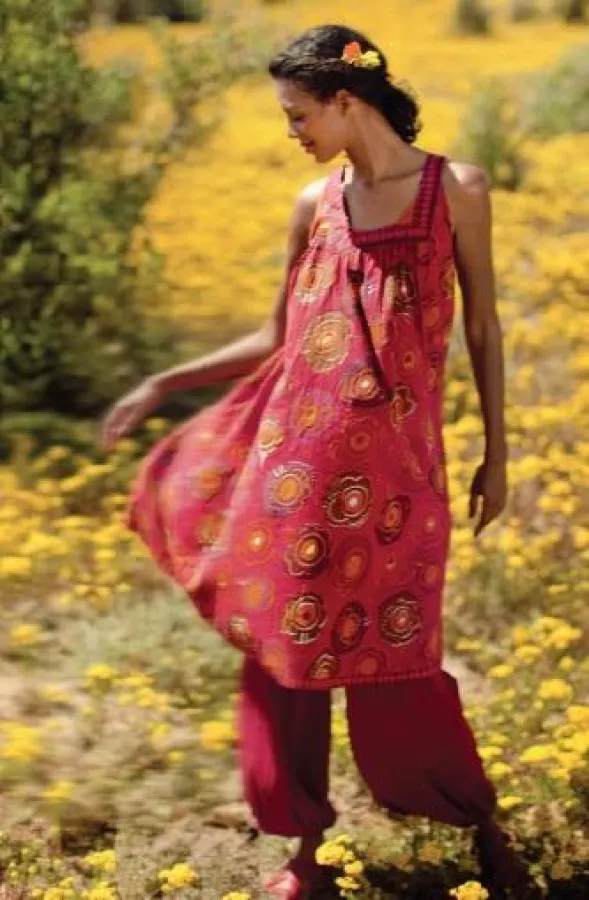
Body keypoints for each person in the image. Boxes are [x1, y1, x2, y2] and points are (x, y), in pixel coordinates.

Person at [101, 24, 541, 900]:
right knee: (284, 663)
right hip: (289, 473)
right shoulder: (315, 204)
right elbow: (275, 336)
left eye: (299, 114)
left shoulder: (454, 189)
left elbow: (484, 326)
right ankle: (304, 856)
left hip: (397, 478)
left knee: (401, 662)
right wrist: (162, 380)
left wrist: (498, 452)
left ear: (347, 99)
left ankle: (480, 827)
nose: (292, 131)